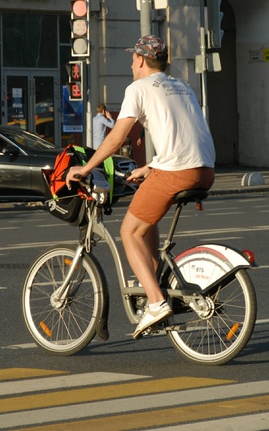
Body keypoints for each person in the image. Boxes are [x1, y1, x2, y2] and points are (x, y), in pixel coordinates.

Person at [66, 35, 216, 339]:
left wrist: (86, 167)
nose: (130, 63)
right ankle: (155, 286)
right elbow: (184, 134)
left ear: (139, 59)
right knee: (146, 223)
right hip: (205, 169)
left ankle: (157, 302)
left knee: (128, 231)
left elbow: (116, 138)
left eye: (132, 58)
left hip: (177, 171)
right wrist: (150, 167)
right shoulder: (182, 86)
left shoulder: (138, 88)